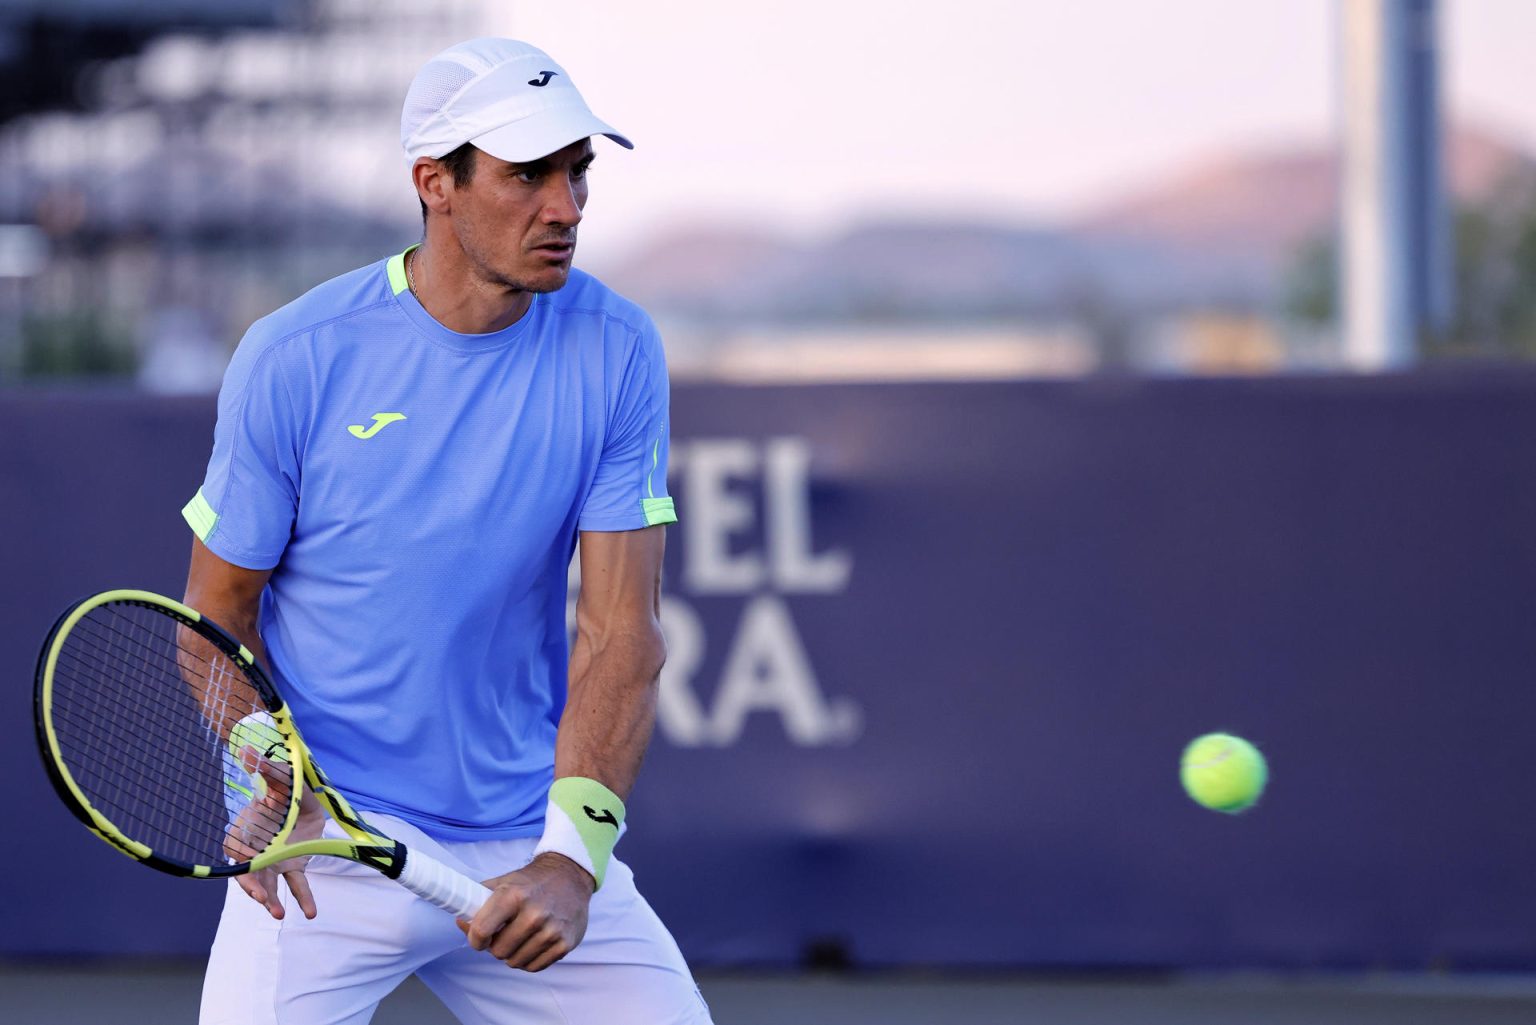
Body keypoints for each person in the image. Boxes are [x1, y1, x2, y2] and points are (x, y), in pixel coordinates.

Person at [182, 38, 710, 1025]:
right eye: (527, 175)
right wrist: (268, 765)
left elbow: (619, 637)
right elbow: (212, 618)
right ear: (436, 183)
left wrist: (572, 857)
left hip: (523, 843)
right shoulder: (294, 356)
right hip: (321, 851)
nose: (566, 206)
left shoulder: (619, 346)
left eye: (577, 171)